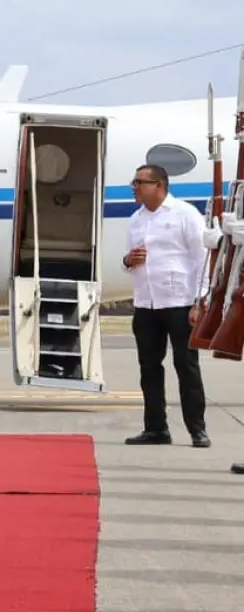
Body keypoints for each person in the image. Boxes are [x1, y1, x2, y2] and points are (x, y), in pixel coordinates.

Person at [121, 163, 216, 449]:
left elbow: (203, 260)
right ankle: (155, 428)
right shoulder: (136, 219)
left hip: (180, 302)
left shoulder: (184, 214)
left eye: (140, 182)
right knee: (149, 367)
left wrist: (200, 301)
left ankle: (197, 429)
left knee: (186, 366)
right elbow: (129, 262)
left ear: (159, 185)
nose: (134, 188)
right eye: (134, 182)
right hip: (146, 303)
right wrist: (128, 261)